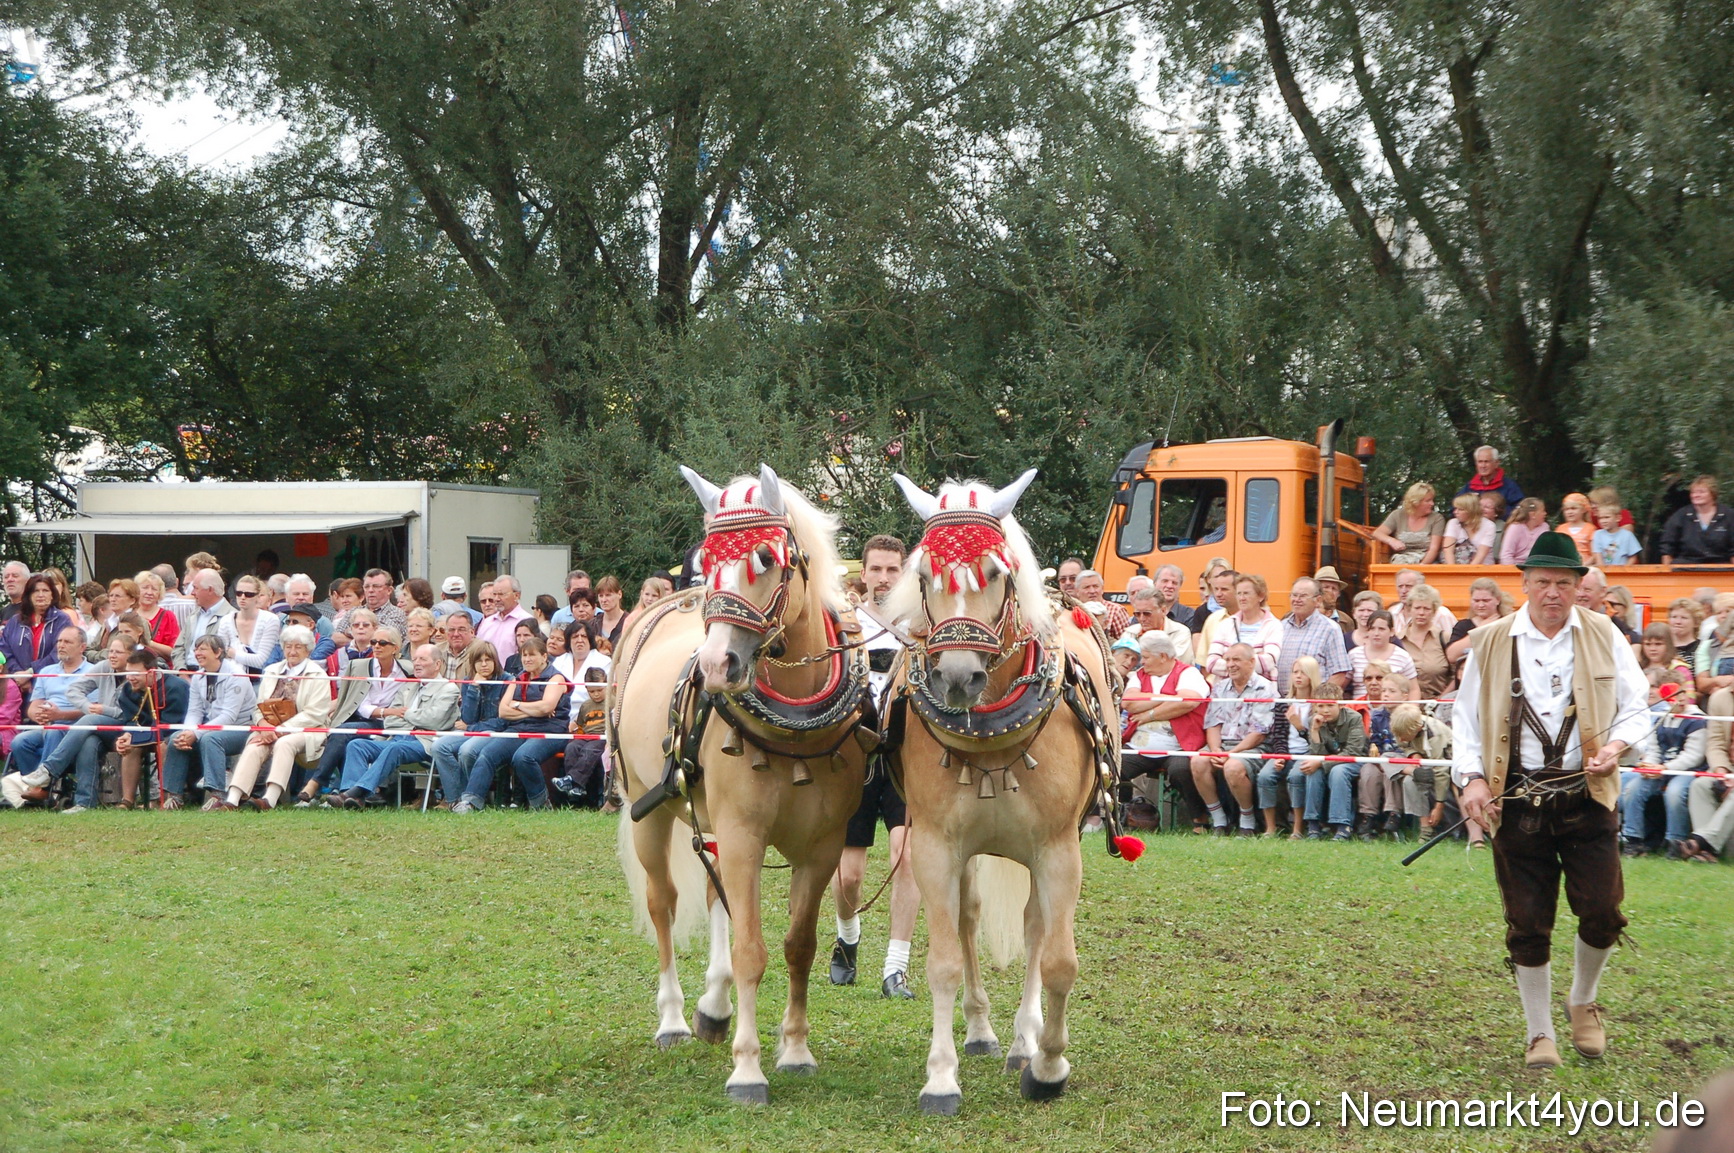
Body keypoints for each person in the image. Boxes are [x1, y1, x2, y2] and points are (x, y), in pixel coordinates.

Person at [1452, 531, 1651, 1070]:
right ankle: (1540, 1034)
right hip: (1516, 801)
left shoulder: (1604, 632)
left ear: (1579, 586)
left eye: (1564, 583)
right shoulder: (1490, 641)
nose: (1553, 594)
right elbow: (1465, 720)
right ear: (1526, 584)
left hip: (1587, 796)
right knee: (1527, 922)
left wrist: (1613, 745)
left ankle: (1582, 999)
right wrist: (1471, 779)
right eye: (1543, 582)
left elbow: (1638, 707)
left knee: (1603, 912)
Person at [830, 533, 922, 998]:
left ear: (902, 571)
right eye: (876, 569)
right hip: (853, 753)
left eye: (892, 569)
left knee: (905, 857)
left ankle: (896, 967)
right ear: (862, 573)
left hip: (905, 754)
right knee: (849, 873)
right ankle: (847, 937)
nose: (884, 578)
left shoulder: (920, 621)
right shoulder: (845, 621)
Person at [213, 626, 332, 811]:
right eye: (288, 646)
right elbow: (258, 706)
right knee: (255, 745)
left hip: (307, 731)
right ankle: (233, 800)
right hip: (269, 729)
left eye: (298, 647)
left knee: (284, 744)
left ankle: (269, 799)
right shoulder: (271, 670)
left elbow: (315, 714)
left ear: (308, 650)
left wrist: (279, 730)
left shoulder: (318, 675)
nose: (292, 651)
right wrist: (263, 726)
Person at [329, 643, 461, 808]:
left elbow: (434, 720)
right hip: (398, 737)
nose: (417, 663)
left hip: (425, 742)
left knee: (395, 749)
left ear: (437, 664)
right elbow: (390, 720)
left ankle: (354, 793)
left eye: (423, 659)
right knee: (357, 745)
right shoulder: (408, 686)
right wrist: (412, 723)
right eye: (415, 659)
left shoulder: (449, 689)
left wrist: (406, 714)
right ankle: (354, 799)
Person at [293, 627, 414, 806]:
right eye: (373, 642)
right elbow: (361, 706)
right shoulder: (359, 666)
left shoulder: (407, 670)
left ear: (395, 648)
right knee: (343, 734)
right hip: (365, 719)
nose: (376, 646)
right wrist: (386, 711)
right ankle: (345, 793)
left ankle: (318, 784)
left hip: (391, 724)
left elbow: (406, 704)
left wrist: (389, 714)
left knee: (343, 733)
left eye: (382, 643)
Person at [10, 635, 131, 813]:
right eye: (111, 651)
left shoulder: (135, 674)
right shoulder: (104, 667)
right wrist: (88, 706)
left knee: (84, 723)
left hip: (123, 726)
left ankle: (48, 771)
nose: (112, 655)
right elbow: (74, 690)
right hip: (92, 726)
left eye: (118, 652)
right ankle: (84, 802)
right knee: (89, 742)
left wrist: (101, 710)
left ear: (130, 655)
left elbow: (129, 713)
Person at [450, 635, 568, 812]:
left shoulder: (556, 678)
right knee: (487, 753)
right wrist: (535, 709)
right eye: (524, 655)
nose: (527, 659)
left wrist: (518, 705)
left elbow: (547, 707)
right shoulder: (518, 678)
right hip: (519, 728)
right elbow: (503, 711)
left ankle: (541, 804)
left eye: (532, 655)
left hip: (550, 730)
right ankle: (470, 801)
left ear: (544, 657)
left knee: (523, 757)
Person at [1121, 631, 1208, 828]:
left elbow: (1188, 702)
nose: (1141, 662)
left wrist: (1149, 713)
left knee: (1181, 770)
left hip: (1177, 746)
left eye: (1146, 657)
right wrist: (1168, 697)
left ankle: (1199, 820)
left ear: (1163, 656)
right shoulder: (1139, 676)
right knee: (1116, 767)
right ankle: (1123, 815)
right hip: (1140, 745)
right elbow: (1129, 703)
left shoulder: (1188, 673)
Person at [0, 626, 94, 809]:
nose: (61, 645)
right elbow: (34, 704)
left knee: (53, 731)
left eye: (67, 642)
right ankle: (35, 788)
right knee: (20, 742)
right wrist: (37, 713)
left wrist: (60, 715)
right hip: (49, 723)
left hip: (77, 727)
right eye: (59, 641)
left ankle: (42, 786)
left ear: (82, 647)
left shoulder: (93, 671)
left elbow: (93, 710)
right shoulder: (47, 671)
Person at [1187, 643, 1274, 836]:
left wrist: (1231, 754)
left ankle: (1247, 820)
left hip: (1253, 747)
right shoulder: (1220, 688)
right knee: (1198, 761)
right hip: (1223, 746)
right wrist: (1216, 750)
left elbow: (1259, 732)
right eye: (1227, 660)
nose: (1230, 665)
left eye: (1236, 660)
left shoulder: (1265, 688)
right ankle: (1219, 820)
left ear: (1251, 662)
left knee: (1233, 767)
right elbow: (1212, 724)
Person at [161, 635, 257, 808]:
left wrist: (196, 733)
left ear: (218, 652)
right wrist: (188, 732)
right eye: (196, 649)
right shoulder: (198, 677)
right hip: (212, 727)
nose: (197, 653)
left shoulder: (236, 675)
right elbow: (194, 711)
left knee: (210, 739)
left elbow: (229, 716)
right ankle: (174, 795)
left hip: (241, 729)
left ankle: (217, 795)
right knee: (176, 737)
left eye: (202, 649)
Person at [1620, 682, 1702, 858]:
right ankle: (1633, 840)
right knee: (1634, 787)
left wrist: (1664, 768)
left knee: (1675, 792)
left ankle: (1676, 842)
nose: (1677, 702)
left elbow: (1693, 756)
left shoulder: (1697, 720)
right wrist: (1649, 765)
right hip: (1661, 769)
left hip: (1686, 772)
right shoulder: (1661, 718)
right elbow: (1654, 749)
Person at [111, 650, 190, 809]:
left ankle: (168, 798)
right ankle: (127, 801)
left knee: (164, 745)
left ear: (151, 672)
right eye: (128, 673)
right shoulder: (127, 690)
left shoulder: (176, 687)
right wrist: (127, 735)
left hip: (173, 734)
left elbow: (171, 725)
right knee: (130, 747)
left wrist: (136, 735)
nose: (130, 678)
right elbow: (130, 719)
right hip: (145, 734)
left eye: (135, 673)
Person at [432, 641, 507, 810]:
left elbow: (502, 722)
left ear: (496, 661)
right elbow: (467, 716)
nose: (484, 664)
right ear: (472, 664)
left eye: (488, 660)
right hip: (473, 730)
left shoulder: (507, 680)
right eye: (479, 661)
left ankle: (471, 798)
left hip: (494, 733)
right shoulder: (468, 681)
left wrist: (471, 728)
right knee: (439, 747)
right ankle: (455, 799)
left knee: (467, 751)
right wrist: (474, 688)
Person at [1678, 686, 1734, 862]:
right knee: (1700, 785)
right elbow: (1715, 742)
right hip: (1727, 765)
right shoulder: (1719, 698)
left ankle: (1701, 842)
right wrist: (1721, 772)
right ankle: (1707, 853)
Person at [1, 574, 75, 702]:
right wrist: (19, 675)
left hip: (49, 685)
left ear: (53, 595)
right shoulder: (15, 621)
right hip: (16, 685)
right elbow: (4, 650)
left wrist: (31, 673)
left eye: (45, 590)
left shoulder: (62, 620)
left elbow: (59, 653)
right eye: (36, 591)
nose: (41, 595)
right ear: (29, 595)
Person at [550, 667, 611, 807]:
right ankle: (577, 788)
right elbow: (581, 724)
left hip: (602, 737)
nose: (596, 695)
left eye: (599, 690)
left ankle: (572, 780)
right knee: (572, 747)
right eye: (591, 691)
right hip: (587, 735)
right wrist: (573, 726)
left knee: (589, 750)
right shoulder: (586, 705)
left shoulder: (612, 701)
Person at [1204, 574, 1281, 682]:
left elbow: (1268, 662)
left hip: (1260, 694)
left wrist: (1229, 663)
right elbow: (1211, 663)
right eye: (1239, 593)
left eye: (1246, 593)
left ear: (1261, 596)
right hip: (1226, 694)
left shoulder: (1273, 625)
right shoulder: (1225, 625)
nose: (1241, 598)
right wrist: (1247, 664)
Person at [1279, 656, 1325, 838]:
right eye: (1295, 672)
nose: (1298, 676)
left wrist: (1299, 726)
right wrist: (1280, 755)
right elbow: (1278, 735)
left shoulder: (1318, 706)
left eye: (1303, 672)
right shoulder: (1285, 702)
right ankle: (1270, 827)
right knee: (1265, 777)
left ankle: (1297, 828)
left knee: (1295, 776)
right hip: (1285, 752)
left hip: (1307, 753)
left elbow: (1317, 742)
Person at [1658, 475, 1733, 565]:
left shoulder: (1728, 515)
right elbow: (1667, 546)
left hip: (1720, 569)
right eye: (1693, 492)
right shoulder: (1681, 515)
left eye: (1701, 492)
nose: (1696, 495)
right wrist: (1666, 573)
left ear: (1713, 494)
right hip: (1686, 568)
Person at [1398, 585, 1455, 701]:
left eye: (1426, 609)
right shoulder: (1398, 640)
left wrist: (1442, 699)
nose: (1421, 613)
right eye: (1417, 608)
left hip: (1437, 705)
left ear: (1434, 611)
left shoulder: (1444, 638)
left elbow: (1457, 675)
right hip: (1404, 706)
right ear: (1409, 609)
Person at [218, 573, 281, 675]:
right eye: (238, 593)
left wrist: (232, 653)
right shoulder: (226, 620)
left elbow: (261, 661)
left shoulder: (270, 620)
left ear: (258, 596)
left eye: (249, 594)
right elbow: (220, 656)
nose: (242, 597)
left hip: (260, 680)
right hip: (230, 679)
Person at [1372, 482, 1445, 565]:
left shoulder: (1437, 518)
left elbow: (1434, 549)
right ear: (1416, 502)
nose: (1432, 503)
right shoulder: (1398, 515)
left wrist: (1421, 567)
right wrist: (1392, 541)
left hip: (1426, 562)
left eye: (1432, 500)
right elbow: (1377, 533)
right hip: (1402, 561)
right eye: (1428, 501)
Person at [1348, 611, 1416, 698]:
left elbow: (1413, 689)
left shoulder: (1403, 656)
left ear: (1392, 631)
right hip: (1359, 709)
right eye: (1372, 629)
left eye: (1381, 629)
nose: (1376, 633)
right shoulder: (1353, 655)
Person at [180, 569, 237, 668]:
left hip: (213, 677)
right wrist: (181, 672)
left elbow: (229, 654)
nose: (192, 593)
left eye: (195, 588)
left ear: (210, 590)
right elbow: (178, 647)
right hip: (185, 674)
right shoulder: (193, 615)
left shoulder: (232, 617)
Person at [1127, 588, 1193, 664]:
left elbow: (1175, 664)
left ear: (1163, 611)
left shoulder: (1180, 633)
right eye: (1137, 614)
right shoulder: (1130, 633)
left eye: (1147, 613)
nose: (1142, 619)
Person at [132, 571, 182, 667]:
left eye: (154, 589)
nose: (149, 592)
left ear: (160, 593)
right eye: (145, 588)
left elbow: (175, 651)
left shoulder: (168, 616)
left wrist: (148, 643)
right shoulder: (129, 615)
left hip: (159, 669)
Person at [477, 574, 534, 656]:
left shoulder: (527, 621)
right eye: (494, 594)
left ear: (516, 595)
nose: (496, 599)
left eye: (501, 594)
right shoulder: (487, 623)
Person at [1456, 444, 1525, 510]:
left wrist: (1495, 509)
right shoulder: (1469, 486)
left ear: (1496, 463)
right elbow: (1456, 507)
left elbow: (1519, 510)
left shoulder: (1509, 485)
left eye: (1486, 462)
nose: (1483, 466)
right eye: (1480, 462)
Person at [1391, 568, 1456, 635]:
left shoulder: (1442, 614)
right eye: (1400, 586)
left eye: (1408, 586)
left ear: (1420, 587)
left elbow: (1452, 642)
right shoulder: (1392, 612)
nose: (1403, 591)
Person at [1072, 570, 1130, 639]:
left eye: (1096, 586)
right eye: (1086, 587)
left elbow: (1126, 643)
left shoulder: (1116, 611)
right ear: (1077, 591)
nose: (1092, 591)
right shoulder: (1072, 612)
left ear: (1102, 589)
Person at [1442, 493, 1496, 564]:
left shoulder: (1489, 526)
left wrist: (1468, 573)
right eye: (1455, 509)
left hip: (1482, 568)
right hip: (1456, 568)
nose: (1455, 512)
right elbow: (1448, 551)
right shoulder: (1453, 523)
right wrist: (1453, 571)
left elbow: (1481, 554)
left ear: (1471, 511)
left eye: (1460, 509)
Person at [1499, 498, 1550, 566]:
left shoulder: (1544, 527)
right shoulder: (1515, 528)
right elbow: (1506, 555)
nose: (1545, 513)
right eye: (1543, 511)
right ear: (1533, 515)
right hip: (1516, 568)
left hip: (1537, 568)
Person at [1556, 494, 1596, 564]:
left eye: (1573, 508)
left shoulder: (1590, 528)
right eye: (1566, 509)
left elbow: (1594, 554)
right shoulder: (1560, 529)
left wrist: (1584, 566)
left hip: (1585, 566)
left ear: (1583, 510)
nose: (1570, 512)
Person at [1150, 563, 1194, 628]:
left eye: (1174, 583)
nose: (1170, 586)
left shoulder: (1189, 615)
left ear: (1180, 586)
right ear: (1155, 583)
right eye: (1165, 581)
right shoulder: (1143, 613)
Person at [593, 575, 627, 649]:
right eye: (601, 596)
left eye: (608, 595)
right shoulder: (592, 624)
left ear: (619, 594)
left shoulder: (630, 622)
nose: (604, 600)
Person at [1312, 566, 1352, 630]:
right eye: (1326, 587)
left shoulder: (1347, 621)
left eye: (1334, 588)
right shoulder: (1300, 615)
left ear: (1339, 594)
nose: (1330, 591)